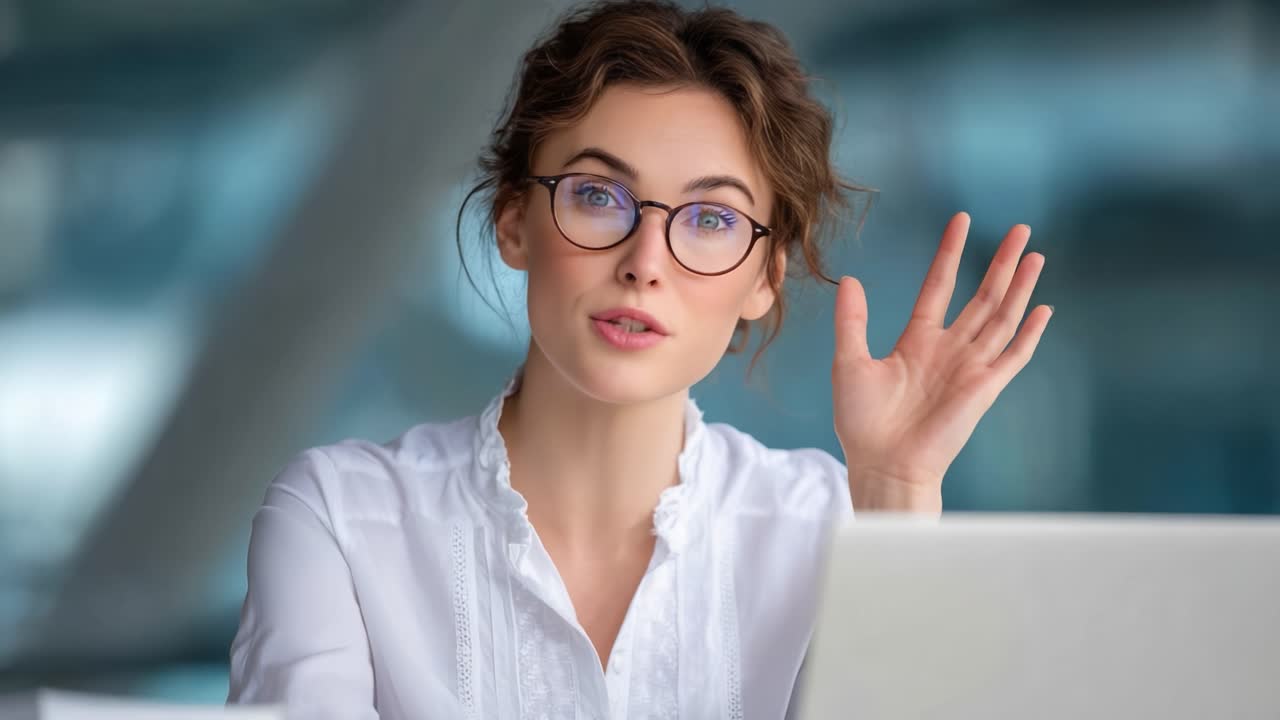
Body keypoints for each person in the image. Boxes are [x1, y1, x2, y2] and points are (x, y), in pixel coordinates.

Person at [226, 1, 1052, 717]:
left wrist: (897, 494)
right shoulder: (339, 519)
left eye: (711, 219)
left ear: (765, 277)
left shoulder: (836, 525)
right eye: (596, 196)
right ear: (514, 220)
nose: (646, 260)